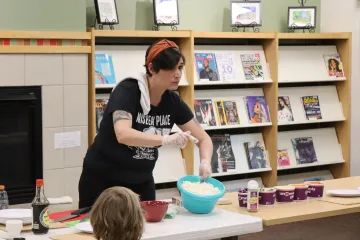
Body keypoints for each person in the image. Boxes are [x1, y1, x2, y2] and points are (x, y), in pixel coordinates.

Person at [78, 39, 213, 208]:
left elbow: (204, 139)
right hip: (104, 178)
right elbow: (123, 134)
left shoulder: (173, 102)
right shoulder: (127, 91)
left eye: (179, 67)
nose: (177, 74)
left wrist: (205, 162)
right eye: (170, 67)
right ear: (151, 68)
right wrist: (164, 140)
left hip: (141, 179)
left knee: (148, 228)